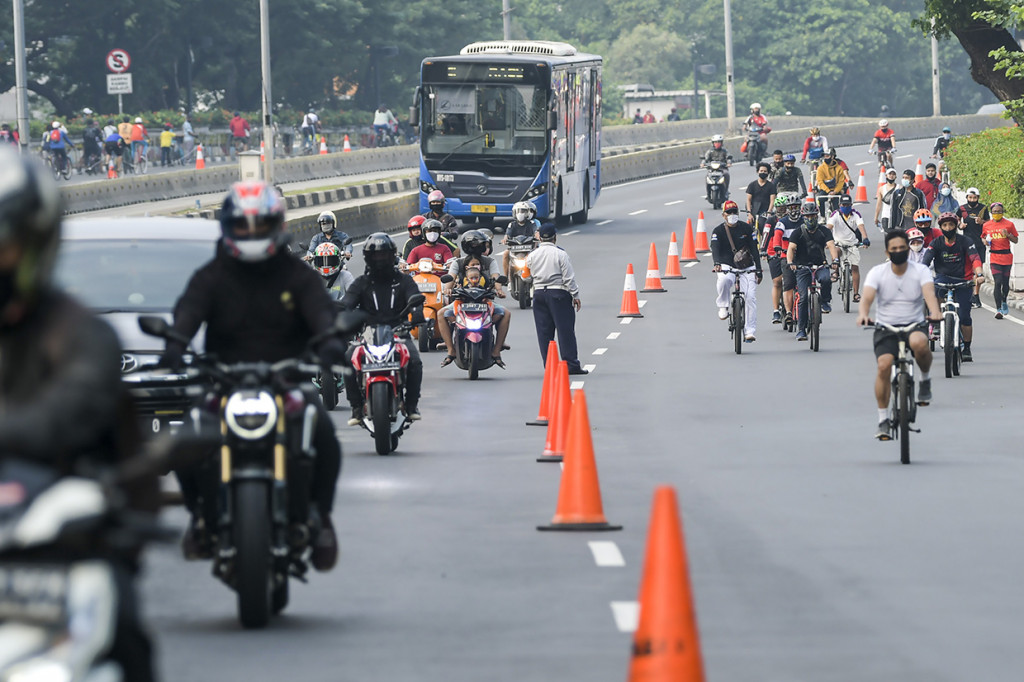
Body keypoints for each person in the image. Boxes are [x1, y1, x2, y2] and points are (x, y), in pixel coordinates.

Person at [0, 148, 160, 681]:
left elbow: (73, 410)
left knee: (125, 635)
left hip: (50, 544)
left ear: (34, 243)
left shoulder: (78, 334)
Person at [162, 181, 344, 571]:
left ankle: (321, 519)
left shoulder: (297, 275)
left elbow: (320, 311)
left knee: (324, 432)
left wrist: (329, 342)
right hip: (225, 384)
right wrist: (176, 343)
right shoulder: (213, 274)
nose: (251, 234)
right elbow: (189, 309)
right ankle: (199, 517)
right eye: (242, 226)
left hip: (286, 381)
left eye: (259, 225)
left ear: (276, 225)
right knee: (187, 439)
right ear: (229, 226)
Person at [857, 229, 941, 439]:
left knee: (920, 343)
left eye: (902, 248)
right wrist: (863, 314)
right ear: (887, 251)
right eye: (894, 249)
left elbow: (929, 293)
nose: (899, 251)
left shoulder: (920, 270)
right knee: (884, 365)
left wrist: (935, 312)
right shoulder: (878, 272)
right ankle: (883, 418)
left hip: (914, 324)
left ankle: (925, 379)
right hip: (887, 328)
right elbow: (867, 297)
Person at [340, 233, 425, 420]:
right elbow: (347, 302)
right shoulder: (361, 282)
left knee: (415, 362)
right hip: (369, 334)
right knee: (347, 359)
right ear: (368, 258)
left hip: (399, 332)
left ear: (392, 255)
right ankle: (356, 407)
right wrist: (337, 314)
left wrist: (417, 314)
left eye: (384, 254)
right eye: (376, 255)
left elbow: (415, 298)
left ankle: (411, 406)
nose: (380, 259)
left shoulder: (404, 280)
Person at [438, 230, 511, 367]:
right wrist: (448, 289)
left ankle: (496, 350)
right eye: (476, 244)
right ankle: (450, 349)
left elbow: (496, 278)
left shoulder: (490, 261)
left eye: (481, 244)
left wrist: (499, 290)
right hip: (461, 301)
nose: (479, 247)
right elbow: (450, 279)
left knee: (506, 313)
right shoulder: (457, 263)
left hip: (485, 301)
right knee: (441, 313)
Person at [525, 223, 588, 371]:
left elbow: (526, 277)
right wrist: (575, 295)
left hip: (539, 294)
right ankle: (571, 365)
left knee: (544, 333)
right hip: (559, 294)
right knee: (565, 331)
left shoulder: (532, 255)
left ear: (540, 238)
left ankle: (550, 366)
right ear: (555, 238)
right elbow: (568, 278)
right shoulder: (561, 254)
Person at [923, 212, 983, 360]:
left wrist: (980, 274)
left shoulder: (966, 241)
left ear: (956, 226)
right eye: (944, 225)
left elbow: (975, 258)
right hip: (943, 278)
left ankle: (967, 348)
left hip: (964, 280)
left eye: (951, 225)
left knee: (965, 317)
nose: (948, 227)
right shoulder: (935, 243)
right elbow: (925, 261)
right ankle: (937, 320)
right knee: (934, 290)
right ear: (941, 227)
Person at [711, 200, 762, 342]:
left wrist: (758, 269)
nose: (732, 215)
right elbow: (715, 248)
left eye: (734, 212)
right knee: (724, 281)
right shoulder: (718, 231)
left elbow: (754, 249)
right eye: (729, 213)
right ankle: (723, 306)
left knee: (750, 297)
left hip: (747, 266)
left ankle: (749, 331)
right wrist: (717, 264)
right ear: (723, 215)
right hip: (726, 265)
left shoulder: (746, 228)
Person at [787, 202, 839, 341]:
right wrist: (791, 262)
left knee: (826, 279)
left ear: (817, 216)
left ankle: (825, 302)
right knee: (803, 298)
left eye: (813, 216)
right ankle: (801, 330)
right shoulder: (797, 232)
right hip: (802, 268)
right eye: (808, 216)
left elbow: (831, 246)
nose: (811, 219)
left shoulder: (824, 231)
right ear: (803, 217)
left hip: (820, 265)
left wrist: (835, 261)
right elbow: (791, 249)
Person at [769, 194, 805, 325]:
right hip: (786, 257)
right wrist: (777, 247)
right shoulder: (782, 222)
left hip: (803, 256)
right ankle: (789, 312)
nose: (794, 210)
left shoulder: (805, 221)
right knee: (788, 284)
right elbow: (777, 235)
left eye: (796, 207)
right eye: (791, 207)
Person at [826, 194, 871, 301]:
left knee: (855, 267)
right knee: (835, 252)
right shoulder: (835, 215)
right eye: (843, 204)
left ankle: (856, 293)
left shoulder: (856, 215)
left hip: (852, 244)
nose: (845, 207)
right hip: (839, 243)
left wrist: (865, 238)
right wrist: (826, 240)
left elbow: (861, 227)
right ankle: (836, 271)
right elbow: (829, 228)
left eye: (848, 205)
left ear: (851, 205)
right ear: (839, 205)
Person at [982, 202, 1018, 319]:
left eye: (999, 211)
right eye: (994, 212)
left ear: (1003, 212)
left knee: (1005, 283)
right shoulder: (987, 225)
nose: (997, 214)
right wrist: (985, 241)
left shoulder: (1009, 224)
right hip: (994, 257)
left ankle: (1004, 301)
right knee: (998, 282)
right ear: (991, 213)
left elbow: (1016, 240)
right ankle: (998, 310)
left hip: (1006, 256)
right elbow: (983, 237)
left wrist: (1007, 235)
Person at [957, 187, 990, 307]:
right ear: (967, 198)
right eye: (970, 197)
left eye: (974, 198)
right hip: (966, 243)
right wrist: (960, 225)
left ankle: (976, 295)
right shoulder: (962, 209)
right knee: (968, 270)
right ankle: (968, 295)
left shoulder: (983, 208)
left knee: (978, 270)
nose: (972, 199)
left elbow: (989, 223)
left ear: (978, 198)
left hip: (980, 243)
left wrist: (982, 222)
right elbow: (955, 221)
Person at [502, 200, 540, 276]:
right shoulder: (512, 224)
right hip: (515, 248)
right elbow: (507, 234)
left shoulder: (531, 223)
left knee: (539, 256)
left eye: (523, 211)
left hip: (529, 247)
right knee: (505, 254)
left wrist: (537, 235)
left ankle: (538, 275)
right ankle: (506, 277)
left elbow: (536, 232)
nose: (520, 213)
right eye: (518, 211)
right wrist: (505, 239)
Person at [745, 161, 777, 242]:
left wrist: (769, 212)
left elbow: (772, 200)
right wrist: (749, 213)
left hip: (765, 212)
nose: (763, 173)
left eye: (765, 171)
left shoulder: (771, 186)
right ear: (757, 172)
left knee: (763, 225)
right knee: (749, 229)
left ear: (768, 173)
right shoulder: (752, 185)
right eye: (761, 171)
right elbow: (748, 200)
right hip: (754, 211)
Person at [814, 148, 848, 215]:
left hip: (836, 190)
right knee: (820, 200)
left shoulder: (839, 168)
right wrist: (828, 191)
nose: (825, 158)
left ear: (832, 156)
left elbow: (840, 182)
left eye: (827, 156)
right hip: (825, 190)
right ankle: (823, 216)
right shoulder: (820, 168)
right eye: (824, 156)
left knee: (837, 204)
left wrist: (835, 191)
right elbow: (820, 181)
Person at [874, 167, 899, 232]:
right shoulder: (881, 189)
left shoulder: (900, 188)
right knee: (888, 235)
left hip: (897, 216)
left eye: (893, 174)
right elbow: (879, 204)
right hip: (886, 216)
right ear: (886, 175)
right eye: (890, 174)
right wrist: (876, 217)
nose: (891, 176)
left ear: (895, 176)